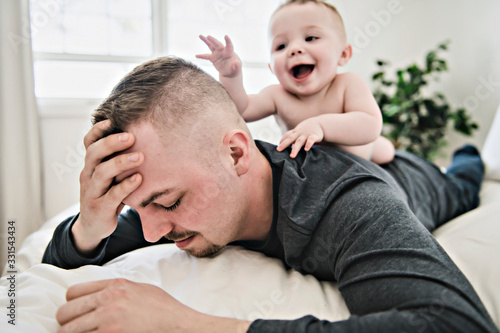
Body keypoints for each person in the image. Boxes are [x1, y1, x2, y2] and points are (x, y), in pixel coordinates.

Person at [42, 56, 498, 333]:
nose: (153, 231)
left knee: (462, 180)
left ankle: (466, 156)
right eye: (136, 208)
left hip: (415, 181)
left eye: (167, 203)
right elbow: (60, 260)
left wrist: (189, 326)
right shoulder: (168, 204)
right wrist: (91, 221)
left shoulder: (348, 203)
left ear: (237, 154)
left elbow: (454, 326)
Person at [196, 0, 395, 164]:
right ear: (272, 68)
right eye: (281, 45)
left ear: (343, 54)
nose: (295, 49)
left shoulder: (347, 84)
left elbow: (370, 124)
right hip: (313, 164)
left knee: (387, 153)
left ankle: (384, 146)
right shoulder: (277, 95)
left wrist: (320, 126)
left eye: (310, 38)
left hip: (361, 152)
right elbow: (242, 110)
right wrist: (231, 77)